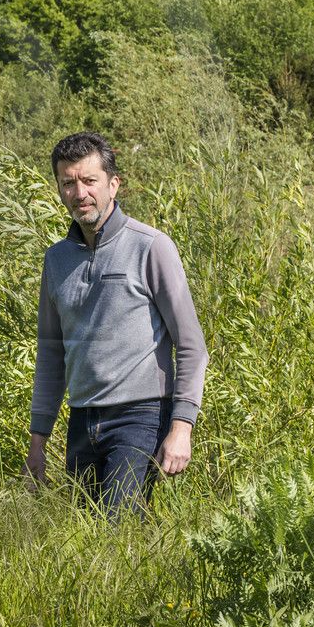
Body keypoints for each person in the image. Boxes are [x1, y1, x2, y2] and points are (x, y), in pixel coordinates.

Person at [25, 131, 209, 515]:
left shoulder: (152, 246)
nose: (80, 193)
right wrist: (38, 442)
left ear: (113, 184)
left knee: (118, 529)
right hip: (81, 420)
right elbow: (50, 353)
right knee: (83, 538)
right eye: (68, 183)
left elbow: (191, 345)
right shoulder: (55, 260)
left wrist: (181, 429)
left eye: (89, 181)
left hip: (140, 416)